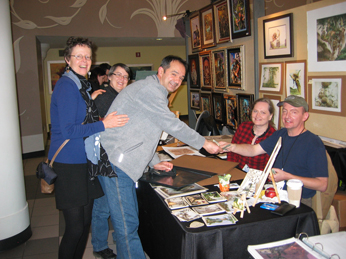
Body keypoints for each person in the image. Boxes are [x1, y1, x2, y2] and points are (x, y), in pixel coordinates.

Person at [100, 55, 222, 259]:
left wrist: (155, 161)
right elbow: (170, 124)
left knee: (110, 213)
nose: (177, 80)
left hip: (116, 159)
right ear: (161, 71)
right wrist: (204, 143)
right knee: (127, 225)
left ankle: (100, 246)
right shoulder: (150, 91)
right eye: (174, 73)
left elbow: (144, 132)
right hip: (117, 164)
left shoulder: (154, 91)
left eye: (181, 77)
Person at [48, 36, 128, 259]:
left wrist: (89, 100)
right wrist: (104, 123)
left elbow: (78, 116)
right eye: (78, 56)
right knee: (74, 228)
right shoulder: (66, 86)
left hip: (82, 163)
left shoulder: (79, 85)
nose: (84, 60)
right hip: (69, 165)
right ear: (67, 59)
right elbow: (69, 131)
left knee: (83, 225)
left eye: (88, 56)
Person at [221, 95, 328, 207]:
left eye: (294, 112)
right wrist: (232, 147)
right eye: (285, 111)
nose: (287, 116)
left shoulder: (313, 143)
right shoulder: (280, 134)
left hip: (297, 201)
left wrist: (286, 176)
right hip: (274, 195)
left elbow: (322, 185)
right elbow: (253, 150)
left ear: (305, 116)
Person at [91, 63, 131, 259]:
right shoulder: (105, 97)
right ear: (109, 77)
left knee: (105, 203)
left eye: (126, 76)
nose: (122, 79)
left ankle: (105, 240)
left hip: (109, 156)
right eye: (118, 75)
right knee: (104, 205)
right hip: (105, 158)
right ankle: (99, 245)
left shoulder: (118, 96)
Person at [227, 98, 276, 171]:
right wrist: (231, 171)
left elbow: (270, 167)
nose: (257, 115)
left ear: (270, 116)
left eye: (263, 112)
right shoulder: (243, 127)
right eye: (255, 111)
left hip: (259, 178)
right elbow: (232, 154)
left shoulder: (273, 136)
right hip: (237, 173)